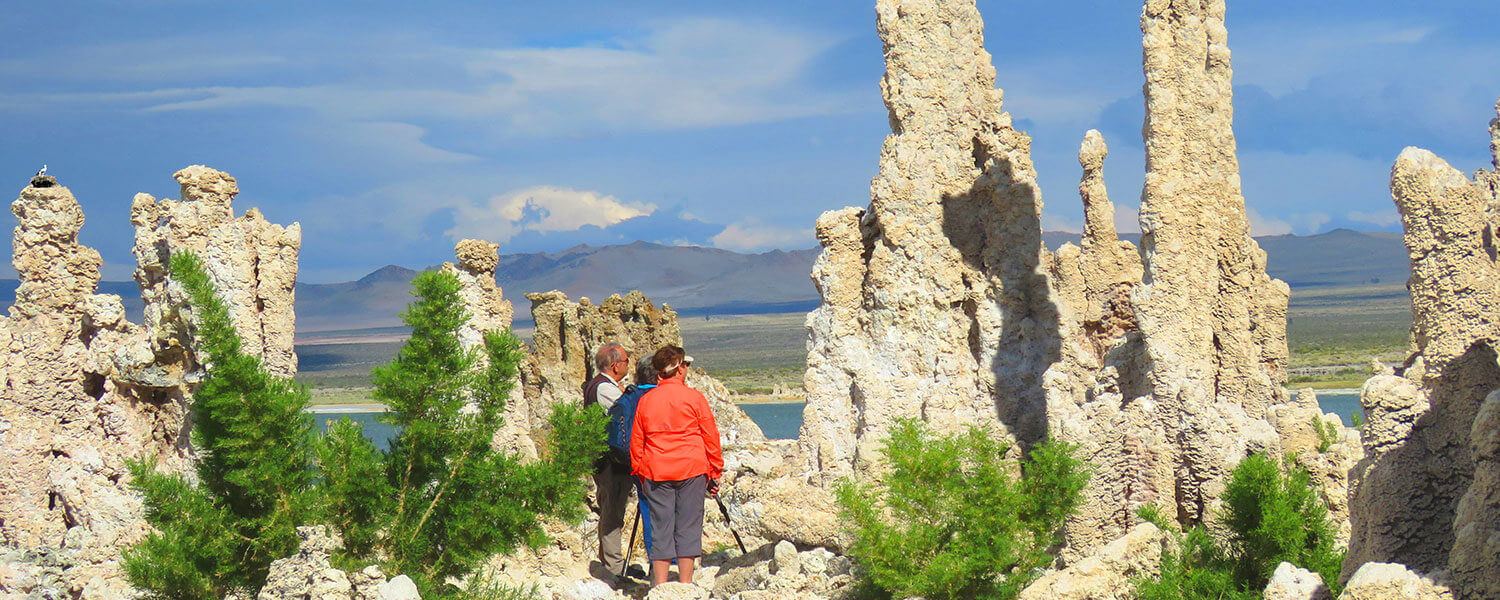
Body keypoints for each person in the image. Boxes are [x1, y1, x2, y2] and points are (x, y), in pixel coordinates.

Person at [629, 346, 723, 586]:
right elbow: (710, 436)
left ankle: (660, 585)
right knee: (688, 526)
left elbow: (637, 441)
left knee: (661, 527)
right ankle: (685, 584)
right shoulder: (694, 398)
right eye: (686, 365)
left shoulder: (646, 400)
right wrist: (715, 471)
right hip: (692, 469)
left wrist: (639, 472)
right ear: (679, 368)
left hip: (656, 470)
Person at [606, 358, 658, 579]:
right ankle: (670, 565)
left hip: (638, 465)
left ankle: (657, 565)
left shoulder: (630, 396)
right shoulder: (659, 396)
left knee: (648, 512)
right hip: (663, 463)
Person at [585, 342, 632, 580]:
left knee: (610, 508)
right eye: (626, 360)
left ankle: (611, 562)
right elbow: (626, 409)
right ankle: (614, 568)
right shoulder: (604, 389)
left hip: (606, 460)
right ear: (615, 365)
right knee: (612, 511)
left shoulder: (600, 385)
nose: (628, 364)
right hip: (610, 461)